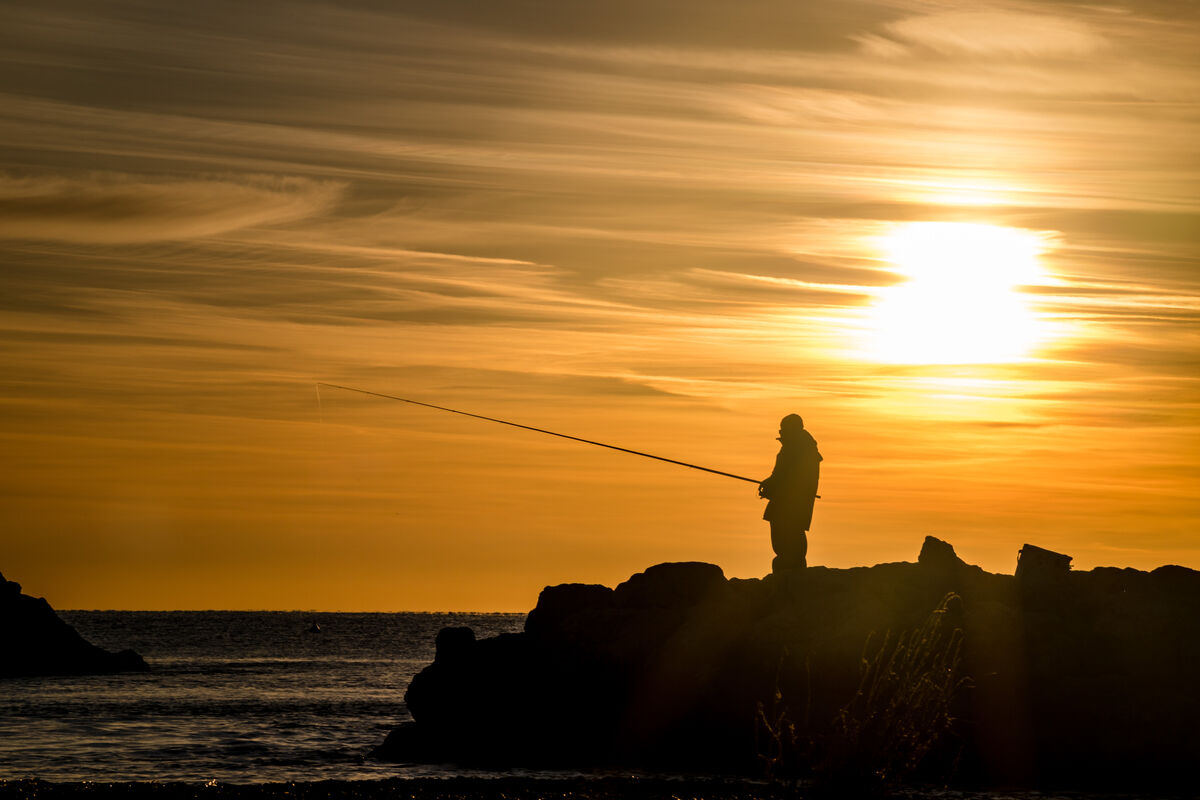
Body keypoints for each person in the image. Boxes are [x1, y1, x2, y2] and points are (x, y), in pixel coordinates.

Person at [759, 414, 822, 572]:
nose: (780, 433)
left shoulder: (795, 448)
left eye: (783, 429)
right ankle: (792, 572)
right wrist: (771, 484)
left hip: (787, 505)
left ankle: (787, 575)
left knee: (787, 541)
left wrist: (771, 485)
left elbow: (785, 475)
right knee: (793, 540)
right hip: (796, 503)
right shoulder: (803, 447)